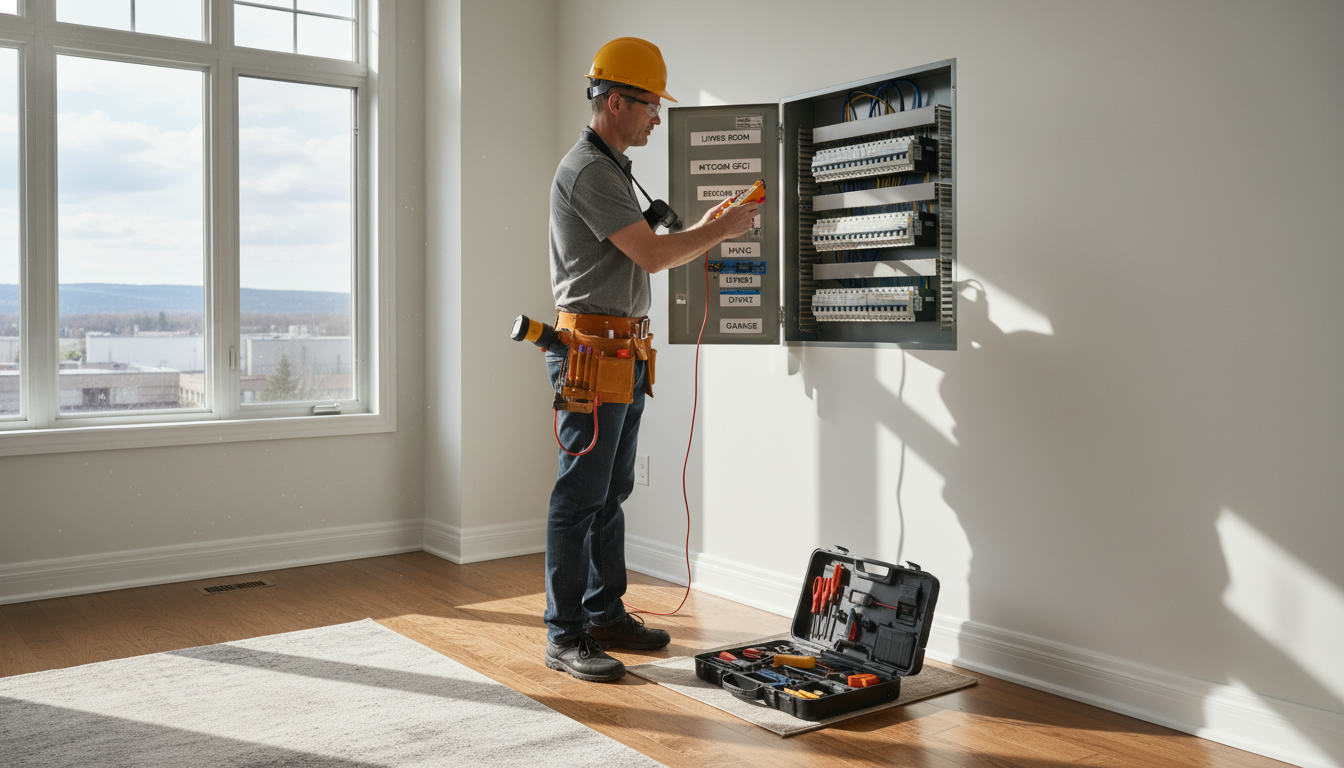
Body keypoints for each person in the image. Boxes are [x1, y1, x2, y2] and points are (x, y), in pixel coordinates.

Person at [543, 37, 760, 682]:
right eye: (649, 106)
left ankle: (604, 611)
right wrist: (717, 232)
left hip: (625, 353)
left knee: (611, 490)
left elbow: (648, 247)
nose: (656, 118)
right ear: (615, 100)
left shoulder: (612, 169)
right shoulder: (586, 172)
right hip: (591, 357)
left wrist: (708, 225)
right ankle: (565, 633)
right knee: (578, 496)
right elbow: (654, 256)